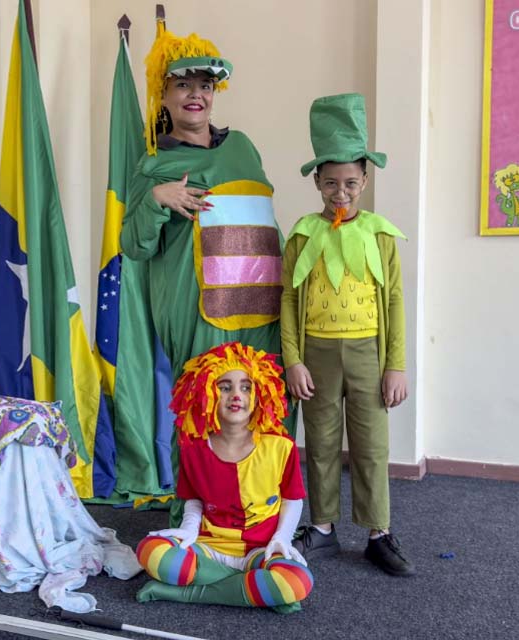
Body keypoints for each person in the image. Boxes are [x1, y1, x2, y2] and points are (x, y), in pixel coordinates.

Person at [119, 20, 290, 521]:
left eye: (206, 86)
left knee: (263, 401)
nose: (196, 95)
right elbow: (134, 244)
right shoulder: (153, 165)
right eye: (183, 85)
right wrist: (156, 199)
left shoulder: (244, 147)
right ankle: (195, 515)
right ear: (164, 94)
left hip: (260, 303)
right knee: (203, 407)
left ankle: (262, 513)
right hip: (197, 307)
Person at [280, 93, 414, 577]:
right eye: (331, 182)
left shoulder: (380, 236)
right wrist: (293, 359)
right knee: (318, 440)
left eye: (351, 182)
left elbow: (395, 301)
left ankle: (378, 531)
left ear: (365, 179)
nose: (341, 192)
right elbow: (289, 301)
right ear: (316, 180)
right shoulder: (301, 236)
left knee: (371, 443)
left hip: (367, 353)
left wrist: (395, 364)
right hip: (316, 352)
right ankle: (322, 528)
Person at [135, 343, 313, 612]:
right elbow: (193, 499)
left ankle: (187, 594)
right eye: (225, 386)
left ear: (261, 392)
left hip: (259, 549)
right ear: (206, 392)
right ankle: (252, 589)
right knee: (150, 551)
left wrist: (283, 538)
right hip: (209, 546)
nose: (236, 395)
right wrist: (189, 529)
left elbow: (293, 499)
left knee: (298, 581)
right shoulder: (193, 447)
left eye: (246, 386)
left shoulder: (280, 446)